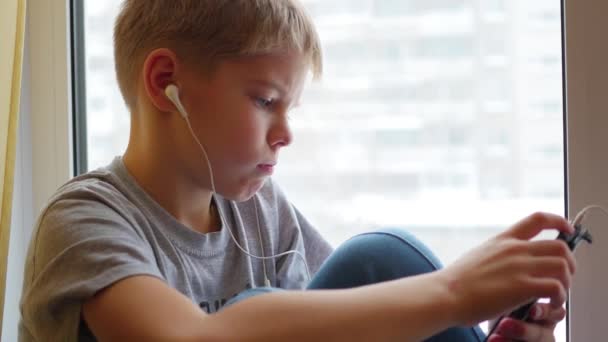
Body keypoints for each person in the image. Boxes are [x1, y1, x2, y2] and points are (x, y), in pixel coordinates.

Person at [19, 0, 576, 341]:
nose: (285, 133)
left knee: (379, 271)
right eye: (265, 101)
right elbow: (189, 338)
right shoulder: (85, 221)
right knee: (374, 261)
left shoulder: (260, 209)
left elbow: (357, 322)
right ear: (167, 81)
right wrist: (454, 291)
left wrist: (477, 308)